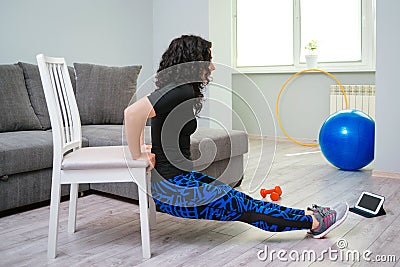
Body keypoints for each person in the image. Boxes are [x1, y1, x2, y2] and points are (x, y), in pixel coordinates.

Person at [124, 35, 348, 238]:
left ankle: (306, 215)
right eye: (208, 60)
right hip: (174, 190)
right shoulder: (179, 91)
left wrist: (145, 147)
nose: (212, 66)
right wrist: (138, 155)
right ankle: (314, 222)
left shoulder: (180, 90)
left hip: (180, 181)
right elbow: (132, 113)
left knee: (242, 200)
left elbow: (156, 124)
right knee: (247, 209)